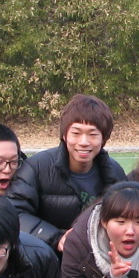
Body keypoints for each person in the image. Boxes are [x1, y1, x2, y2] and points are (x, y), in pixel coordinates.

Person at [10, 94, 125, 249]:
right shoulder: (36, 167)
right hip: (46, 255)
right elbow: (14, 213)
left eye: (92, 134)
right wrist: (57, 238)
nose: (83, 142)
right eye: (76, 133)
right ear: (64, 135)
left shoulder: (115, 172)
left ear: (104, 138)